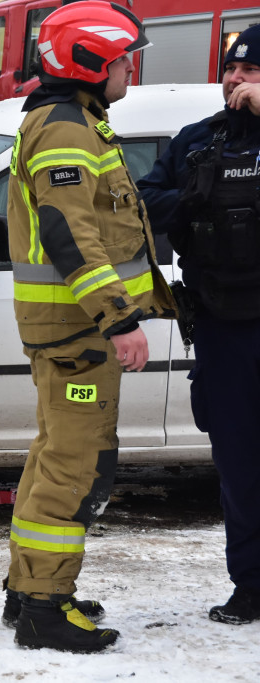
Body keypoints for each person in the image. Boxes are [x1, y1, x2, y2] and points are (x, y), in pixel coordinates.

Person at [3, 1, 176, 652]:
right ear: (90, 61)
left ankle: (28, 589)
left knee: (53, 454)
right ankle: (45, 609)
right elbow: (69, 235)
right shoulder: (67, 131)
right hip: (79, 330)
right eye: (124, 58)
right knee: (76, 463)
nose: (131, 68)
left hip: (68, 328)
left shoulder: (72, 122)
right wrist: (120, 318)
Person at [137, 25, 260, 626]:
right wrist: (188, 199)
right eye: (231, 70)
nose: (236, 79)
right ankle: (253, 585)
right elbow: (140, 203)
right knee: (239, 461)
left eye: (251, 71)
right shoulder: (197, 140)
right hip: (222, 325)